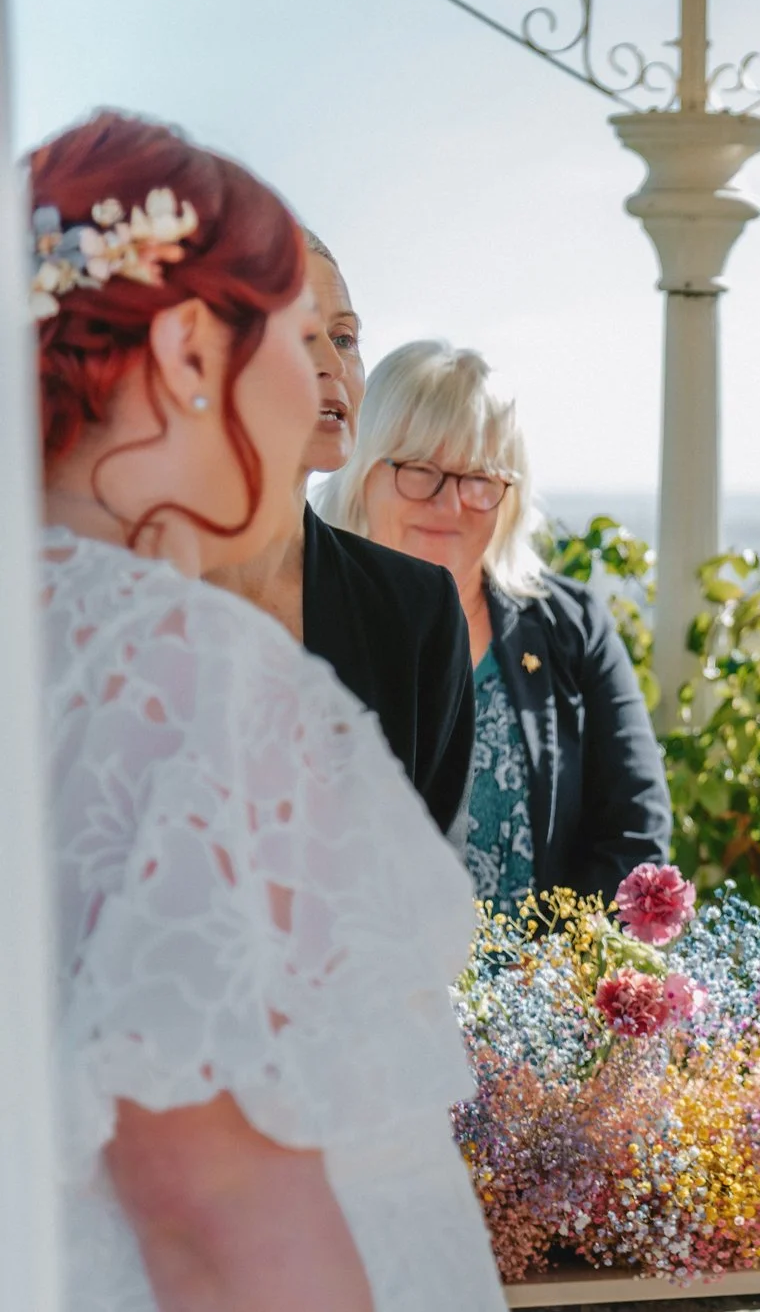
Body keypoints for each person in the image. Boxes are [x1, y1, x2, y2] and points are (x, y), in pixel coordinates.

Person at [34, 112, 505, 1311]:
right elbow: (214, 1206)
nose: (329, 384)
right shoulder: (176, 673)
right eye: (303, 336)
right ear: (193, 353)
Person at [317, 339, 670, 909]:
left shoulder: (571, 629)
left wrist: (554, 981)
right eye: (420, 470)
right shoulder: (304, 614)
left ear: (511, 496)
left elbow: (635, 832)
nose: (450, 504)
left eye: (478, 479)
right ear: (363, 469)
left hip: (543, 992)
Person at [206, 231, 474, 835]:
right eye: (300, 336)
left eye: (345, 338)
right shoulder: (107, 593)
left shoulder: (417, 612)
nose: (334, 362)